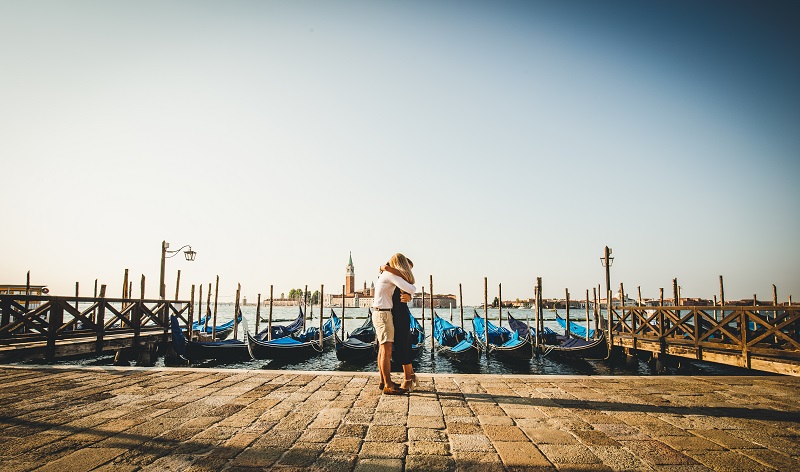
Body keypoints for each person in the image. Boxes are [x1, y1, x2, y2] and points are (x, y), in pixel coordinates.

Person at [372, 253, 416, 395]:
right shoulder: (390, 275)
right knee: (386, 349)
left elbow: (407, 290)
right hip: (384, 314)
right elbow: (411, 288)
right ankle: (388, 384)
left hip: (383, 313)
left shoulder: (387, 273)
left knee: (382, 349)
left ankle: (383, 381)